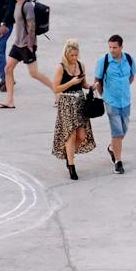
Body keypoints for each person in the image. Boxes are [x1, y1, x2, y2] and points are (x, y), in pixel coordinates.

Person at [51, 40, 93, 182]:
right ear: (66, 54)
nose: (74, 58)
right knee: (71, 133)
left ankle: (68, 155)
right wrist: (71, 82)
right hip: (66, 103)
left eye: (76, 55)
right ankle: (71, 165)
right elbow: (56, 88)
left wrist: (91, 86)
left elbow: (84, 84)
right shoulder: (60, 67)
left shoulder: (80, 65)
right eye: (71, 55)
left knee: (81, 135)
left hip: (80, 102)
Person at [95, 35, 136, 173]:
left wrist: (123, 88)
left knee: (123, 130)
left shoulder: (129, 59)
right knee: (117, 131)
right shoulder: (103, 61)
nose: (112, 50)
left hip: (125, 100)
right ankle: (118, 162)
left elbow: (131, 76)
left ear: (121, 47)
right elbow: (97, 80)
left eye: (115, 47)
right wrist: (104, 96)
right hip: (111, 102)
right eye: (110, 47)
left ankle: (112, 148)